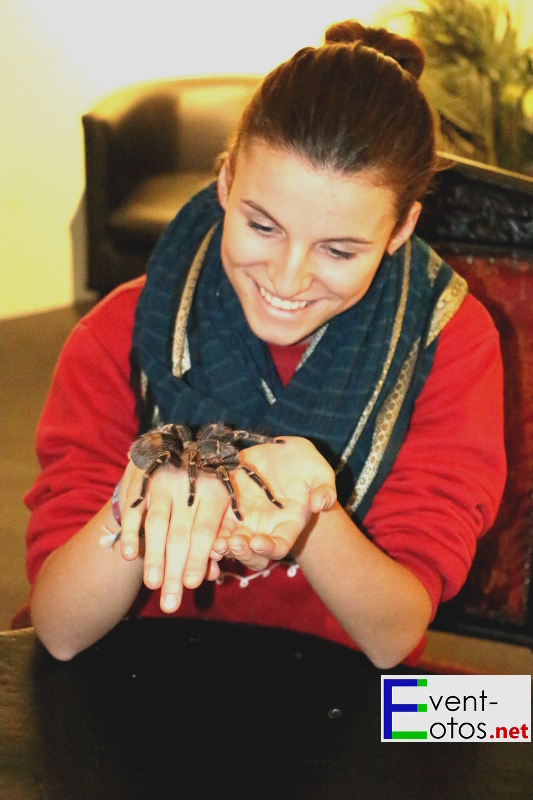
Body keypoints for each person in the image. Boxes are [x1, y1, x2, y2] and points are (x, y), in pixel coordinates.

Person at [24, 20, 506, 668]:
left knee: (509, 718)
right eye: (261, 225)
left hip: (356, 693)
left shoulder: (451, 340)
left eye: (338, 249)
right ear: (224, 183)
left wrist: (313, 514)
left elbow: (392, 636)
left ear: (400, 228)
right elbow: (58, 630)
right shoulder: (119, 331)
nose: (287, 278)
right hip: (145, 674)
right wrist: (134, 499)